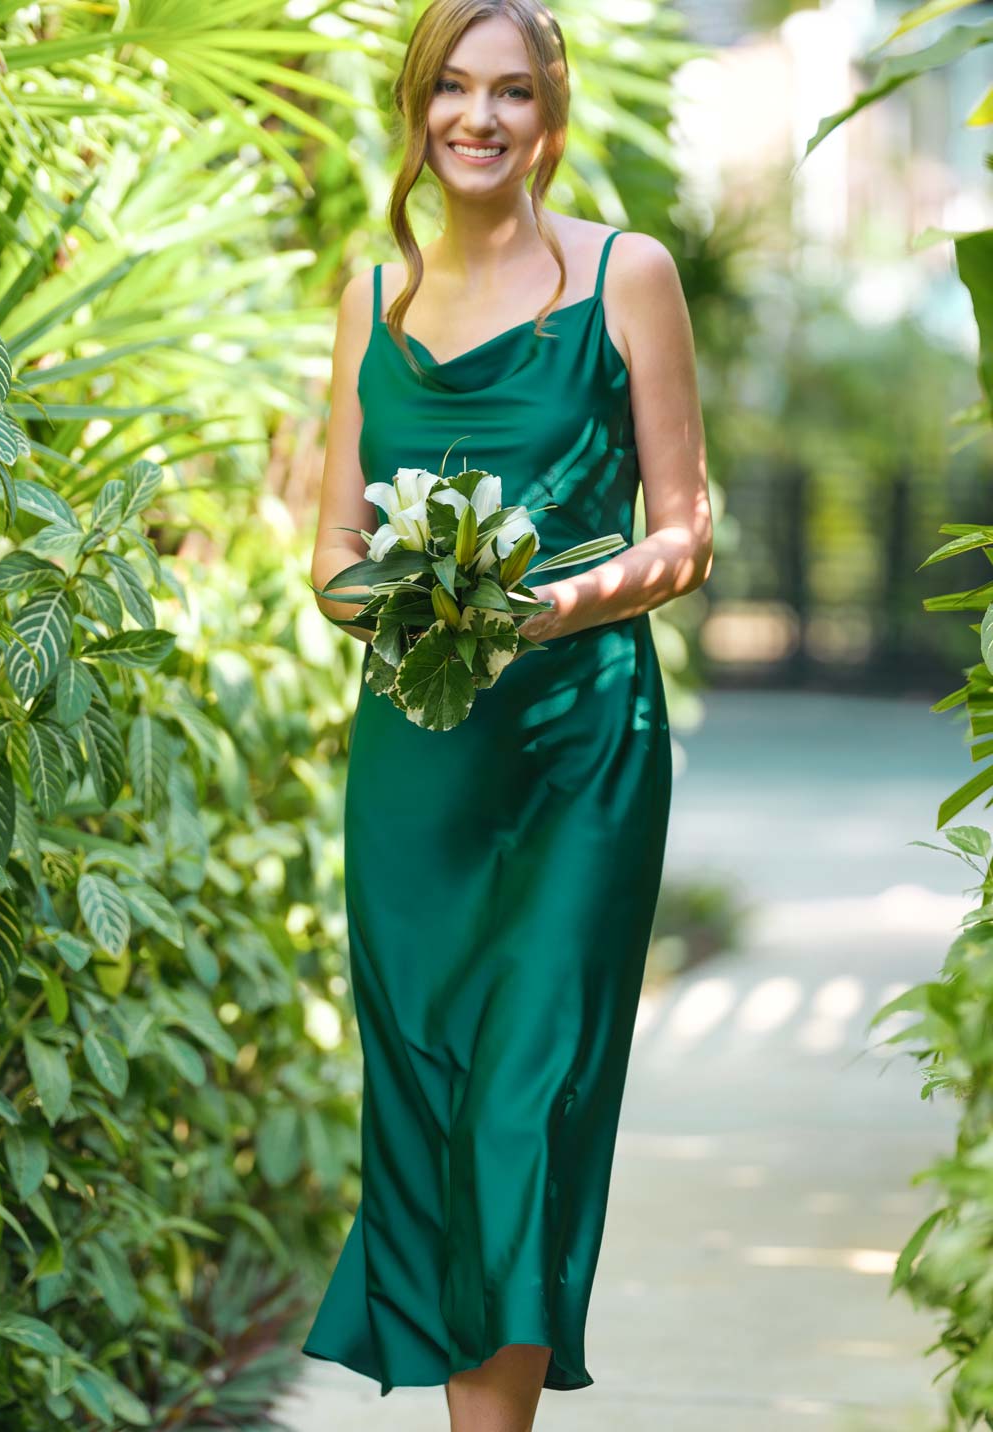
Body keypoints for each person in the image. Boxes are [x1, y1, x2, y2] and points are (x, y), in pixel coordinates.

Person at [304, 1, 712, 1427]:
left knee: (522, 1108)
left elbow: (687, 533)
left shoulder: (626, 274)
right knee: (427, 1102)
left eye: (513, 94)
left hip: (576, 761)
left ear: (552, 112)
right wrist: (412, 608)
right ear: (419, 108)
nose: (479, 119)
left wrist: (546, 607)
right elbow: (332, 560)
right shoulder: (371, 296)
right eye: (454, 91)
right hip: (414, 770)